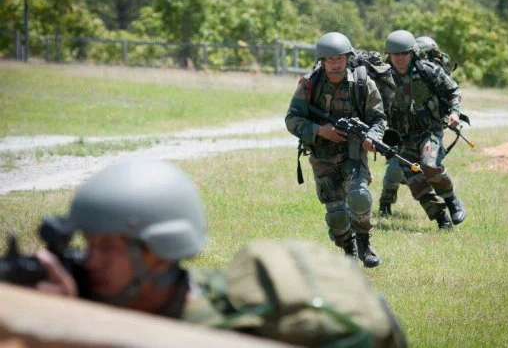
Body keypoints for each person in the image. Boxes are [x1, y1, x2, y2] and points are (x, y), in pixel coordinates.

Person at [25, 159, 407, 347]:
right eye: (88, 245)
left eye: (107, 247)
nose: (91, 260)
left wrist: (65, 328)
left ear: (160, 253)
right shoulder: (170, 294)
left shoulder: (214, 336)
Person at [285, 32, 387, 268]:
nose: (335, 63)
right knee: (336, 215)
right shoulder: (310, 84)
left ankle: (365, 244)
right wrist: (320, 130)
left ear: (347, 58)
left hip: (353, 151)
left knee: (359, 195)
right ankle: (347, 249)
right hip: (322, 156)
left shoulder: (363, 84)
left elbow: (379, 119)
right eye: (329, 59)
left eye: (339, 58)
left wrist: (372, 136)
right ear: (322, 60)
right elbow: (292, 119)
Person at [378, 30, 467, 229]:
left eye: (404, 53)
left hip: (429, 131)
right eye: (395, 54)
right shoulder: (382, 78)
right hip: (401, 138)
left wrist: (454, 113)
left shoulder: (426, 70)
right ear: (389, 55)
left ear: (412, 53)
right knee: (416, 183)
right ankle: (440, 218)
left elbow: (453, 91)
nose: (400, 58)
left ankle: (452, 201)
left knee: (429, 165)